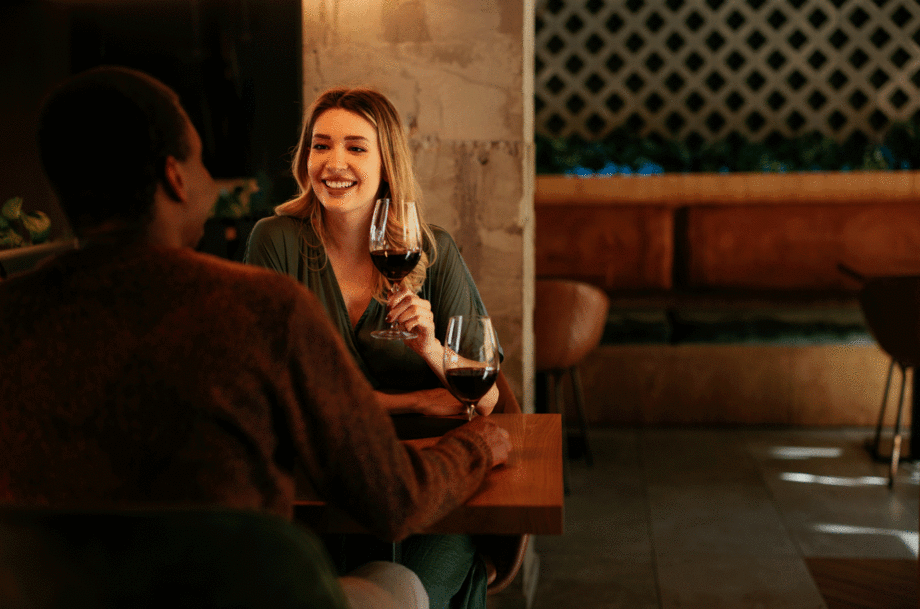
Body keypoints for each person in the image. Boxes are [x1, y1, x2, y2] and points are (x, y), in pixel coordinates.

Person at [0, 67, 512, 609]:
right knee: (400, 584)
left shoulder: (12, 313)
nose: (335, 163)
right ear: (176, 178)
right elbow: (393, 498)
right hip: (244, 587)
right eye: (202, 160)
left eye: (357, 147)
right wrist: (479, 444)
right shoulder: (255, 305)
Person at [244, 87, 500, 609]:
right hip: (319, 487)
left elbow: (486, 396)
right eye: (321, 146)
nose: (334, 163)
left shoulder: (432, 250)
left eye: (356, 147)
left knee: (401, 599)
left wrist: (431, 348)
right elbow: (272, 394)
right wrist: (414, 402)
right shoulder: (276, 241)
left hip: (431, 486)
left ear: (387, 162)